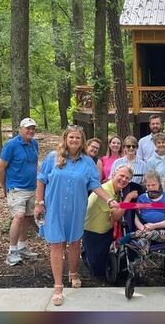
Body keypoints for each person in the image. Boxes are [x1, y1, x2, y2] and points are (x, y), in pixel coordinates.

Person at [34, 126, 120, 306]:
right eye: (71, 137)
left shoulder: (88, 162)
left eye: (77, 138)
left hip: (76, 209)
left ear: (82, 141)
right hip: (54, 209)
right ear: (65, 138)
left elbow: (95, 186)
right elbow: (42, 180)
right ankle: (58, 286)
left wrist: (110, 200)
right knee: (56, 244)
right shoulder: (52, 157)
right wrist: (39, 203)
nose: (74, 140)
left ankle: (73, 273)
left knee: (74, 243)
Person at [0, 117, 40, 266]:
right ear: (20, 129)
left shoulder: (34, 144)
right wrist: (5, 187)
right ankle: (12, 251)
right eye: (28, 128)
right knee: (19, 216)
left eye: (33, 128)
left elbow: (33, 164)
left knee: (27, 217)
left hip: (31, 187)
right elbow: (0, 168)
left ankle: (22, 246)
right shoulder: (11, 145)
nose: (31, 131)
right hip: (16, 188)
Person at [82, 165, 138, 280]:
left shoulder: (117, 190)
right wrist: (128, 199)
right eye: (121, 176)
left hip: (106, 230)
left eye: (127, 178)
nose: (124, 180)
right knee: (99, 273)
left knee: (109, 268)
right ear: (114, 174)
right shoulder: (106, 191)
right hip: (93, 232)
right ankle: (86, 254)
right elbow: (116, 217)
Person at [123, 171, 165, 255]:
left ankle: (132, 235)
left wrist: (154, 226)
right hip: (144, 229)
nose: (151, 188)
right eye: (148, 185)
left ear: (159, 183)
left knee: (164, 235)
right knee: (143, 244)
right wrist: (142, 228)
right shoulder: (141, 198)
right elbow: (136, 218)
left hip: (161, 231)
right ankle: (144, 266)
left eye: (153, 185)